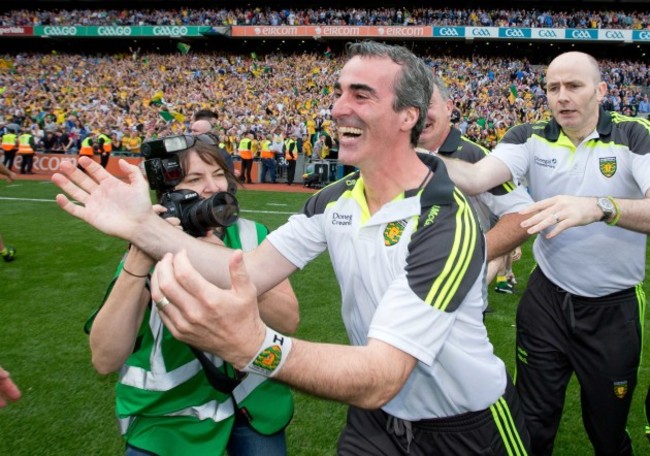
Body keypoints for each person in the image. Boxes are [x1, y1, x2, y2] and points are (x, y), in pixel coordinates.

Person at [53, 41, 530, 455]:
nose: (339, 108)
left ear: (409, 116)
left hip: (465, 426)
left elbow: (381, 373)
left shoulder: (445, 220)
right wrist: (141, 227)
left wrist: (254, 347)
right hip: (376, 422)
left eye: (360, 95)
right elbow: (251, 270)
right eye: (339, 93)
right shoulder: (335, 198)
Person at [436, 51, 650, 455]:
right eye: (553, 88)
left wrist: (601, 207)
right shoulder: (527, 136)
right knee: (533, 422)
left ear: (601, 90)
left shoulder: (633, 135)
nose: (562, 97)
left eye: (574, 86)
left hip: (613, 308)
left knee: (607, 430)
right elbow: (478, 176)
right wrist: (412, 156)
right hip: (547, 301)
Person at [86, 136, 298, 456]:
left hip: (253, 405)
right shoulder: (150, 244)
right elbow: (105, 359)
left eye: (218, 174)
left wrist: (227, 264)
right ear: (168, 192)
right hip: (169, 418)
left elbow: (288, 319)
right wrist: (142, 255)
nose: (214, 187)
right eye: (195, 179)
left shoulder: (250, 234)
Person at [416, 76, 531, 294]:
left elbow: (523, 214)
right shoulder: (394, 153)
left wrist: (473, 255)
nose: (419, 113)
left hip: (459, 292)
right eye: (411, 105)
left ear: (449, 107)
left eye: (427, 104)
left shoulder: (475, 155)